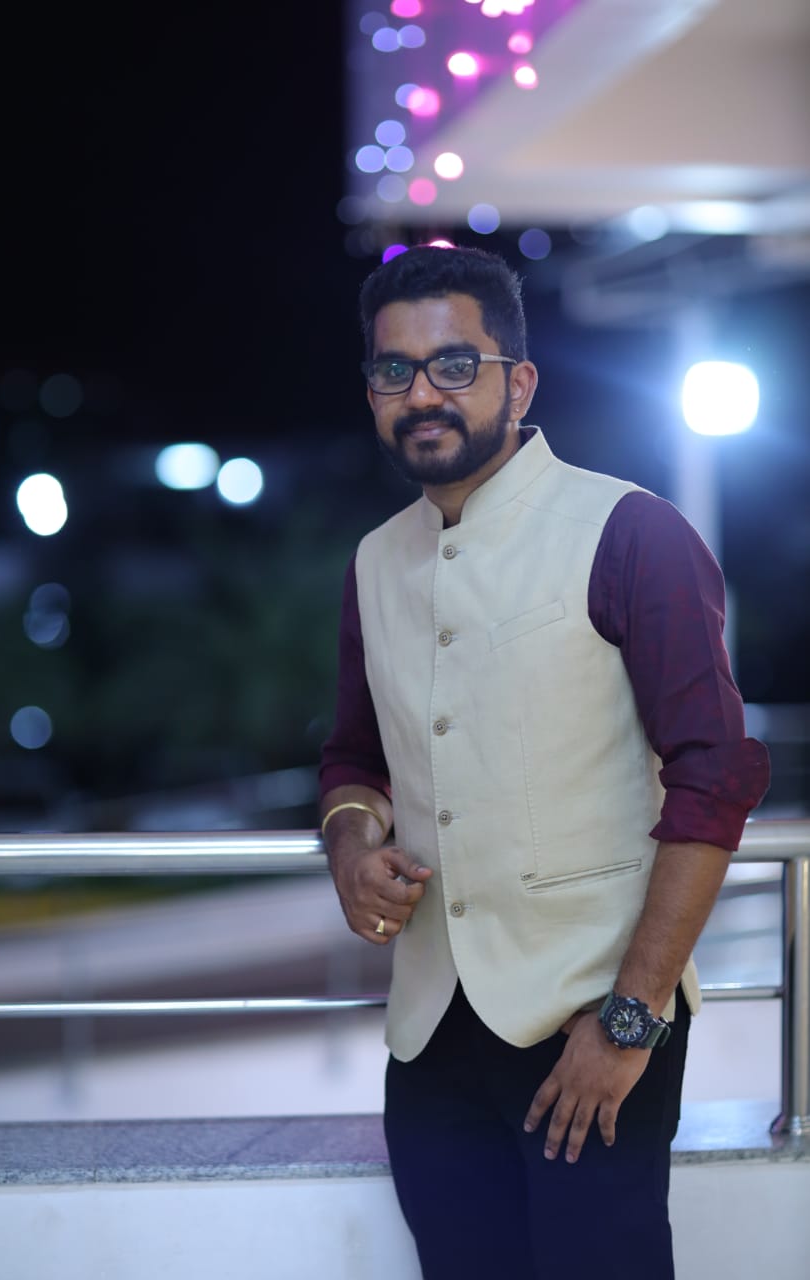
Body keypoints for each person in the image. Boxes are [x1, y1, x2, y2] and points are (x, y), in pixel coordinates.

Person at [318, 244, 770, 1280]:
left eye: (453, 365)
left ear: (518, 383)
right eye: (393, 370)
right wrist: (349, 846)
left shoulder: (630, 531)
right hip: (427, 1037)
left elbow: (715, 777)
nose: (421, 394)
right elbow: (354, 756)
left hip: (591, 1019)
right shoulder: (375, 560)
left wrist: (628, 1018)